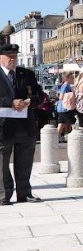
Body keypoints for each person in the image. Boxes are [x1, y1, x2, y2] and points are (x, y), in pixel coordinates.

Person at [0, 44, 43, 204]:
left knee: (25, 162)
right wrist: (10, 102)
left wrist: (29, 101)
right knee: (2, 163)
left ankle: (24, 193)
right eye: (8, 55)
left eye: (14, 55)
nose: (12, 58)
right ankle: (4, 194)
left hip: (25, 126)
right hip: (3, 127)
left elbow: (40, 95)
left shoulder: (27, 74)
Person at [55, 71, 77, 143]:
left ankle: (56, 138)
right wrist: (71, 96)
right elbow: (61, 97)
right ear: (67, 78)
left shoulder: (63, 85)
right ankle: (75, 138)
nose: (73, 79)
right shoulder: (66, 85)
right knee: (72, 122)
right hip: (66, 107)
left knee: (61, 123)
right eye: (71, 77)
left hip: (61, 108)